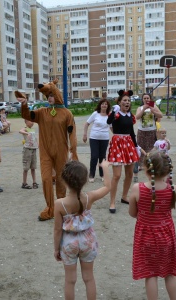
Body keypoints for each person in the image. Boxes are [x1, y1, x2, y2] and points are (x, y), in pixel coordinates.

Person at [15, 78, 78, 221]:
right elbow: (27, 115)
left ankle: (61, 206)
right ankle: (50, 208)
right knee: (45, 179)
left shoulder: (67, 113)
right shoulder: (42, 112)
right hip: (45, 152)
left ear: (56, 95)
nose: (49, 98)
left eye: (51, 95)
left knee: (61, 180)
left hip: (61, 152)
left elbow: (72, 132)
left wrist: (73, 150)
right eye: (47, 96)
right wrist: (24, 104)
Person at [129, 151, 176, 300]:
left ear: (147, 170)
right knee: (169, 273)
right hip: (166, 236)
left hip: (145, 237)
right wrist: (170, 184)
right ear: (167, 171)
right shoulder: (171, 188)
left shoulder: (137, 189)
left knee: (150, 274)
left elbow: (133, 213)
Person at [54, 160, 111, 300]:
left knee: (69, 280)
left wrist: (56, 249)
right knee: (89, 278)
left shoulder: (59, 204)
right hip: (88, 241)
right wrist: (105, 168)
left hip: (69, 243)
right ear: (84, 180)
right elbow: (108, 187)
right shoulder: (89, 197)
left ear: (65, 181)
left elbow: (57, 230)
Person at [107, 90, 139, 213]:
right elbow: (108, 122)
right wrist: (114, 111)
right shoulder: (116, 114)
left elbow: (131, 132)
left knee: (130, 173)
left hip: (129, 144)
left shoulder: (130, 116)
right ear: (119, 102)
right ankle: (112, 202)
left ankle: (124, 196)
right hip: (117, 143)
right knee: (117, 175)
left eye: (128, 101)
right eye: (124, 100)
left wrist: (136, 147)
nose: (127, 102)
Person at [83, 99, 111, 182]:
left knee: (102, 157)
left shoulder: (109, 116)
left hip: (104, 138)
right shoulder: (95, 114)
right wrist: (85, 134)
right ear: (100, 105)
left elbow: (112, 127)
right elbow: (87, 123)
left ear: (107, 106)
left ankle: (102, 174)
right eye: (102, 104)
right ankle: (91, 175)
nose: (104, 105)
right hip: (94, 138)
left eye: (106, 104)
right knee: (94, 156)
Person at [135, 93, 163, 168]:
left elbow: (161, 115)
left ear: (150, 99)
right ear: (142, 99)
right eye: (145, 98)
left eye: (148, 98)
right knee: (141, 147)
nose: (146, 100)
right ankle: (140, 165)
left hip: (152, 130)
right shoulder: (140, 108)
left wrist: (153, 111)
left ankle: (151, 164)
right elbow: (137, 117)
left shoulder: (153, 106)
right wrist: (143, 109)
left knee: (151, 148)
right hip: (141, 131)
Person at [19, 119, 39, 189]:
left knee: (33, 167)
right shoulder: (25, 129)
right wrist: (26, 133)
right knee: (26, 168)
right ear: (26, 122)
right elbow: (20, 131)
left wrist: (37, 144)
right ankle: (24, 183)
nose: (32, 122)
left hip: (33, 149)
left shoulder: (33, 129)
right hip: (27, 150)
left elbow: (35, 138)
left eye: (33, 121)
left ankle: (34, 181)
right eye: (30, 121)